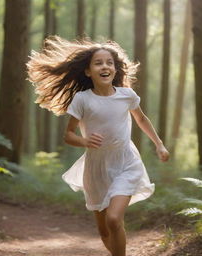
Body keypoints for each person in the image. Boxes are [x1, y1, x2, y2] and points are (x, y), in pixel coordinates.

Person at [27, 35, 169, 256]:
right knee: (104, 230)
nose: (105, 66)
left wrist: (159, 144)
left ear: (115, 69)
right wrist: (84, 141)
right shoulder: (82, 100)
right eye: (98, 62)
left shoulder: (126, 95)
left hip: (126, 162)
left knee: (114, 219)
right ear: (88, 71)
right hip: (96, 169)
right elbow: (68, 135)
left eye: (109, 62)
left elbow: (141, 119)